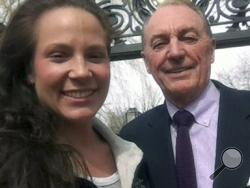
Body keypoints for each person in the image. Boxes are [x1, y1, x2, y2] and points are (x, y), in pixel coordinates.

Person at [0, 0, 151, 188]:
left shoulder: (136, 157)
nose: (81, 71)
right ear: (29, 69)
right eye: (59, 56)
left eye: (94, 55)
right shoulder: (7, 166)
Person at [120, 0, 250, 188]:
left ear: (211, 50)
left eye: (188, 38)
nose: (175, 52)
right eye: (159, 44)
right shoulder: (132, 140)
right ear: (147, 62)